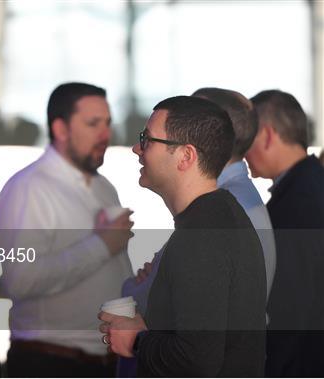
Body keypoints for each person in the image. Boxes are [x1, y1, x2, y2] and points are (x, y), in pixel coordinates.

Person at [100, 96, 266, 377]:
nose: (136, 148)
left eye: (147, 139)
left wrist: (137, 341)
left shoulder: (203, 234)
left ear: (186, 156)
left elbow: (196, 360)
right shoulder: (219, 216)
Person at [0, 82, 134, 377]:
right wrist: (101, 245)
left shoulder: (103, 186)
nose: (105, 135)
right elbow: (20, 281)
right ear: (60, 129)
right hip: (51, 362)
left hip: (106, 361)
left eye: (108, 123)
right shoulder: (29, 188)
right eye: (93, 123)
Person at [245, 89, 324, 377]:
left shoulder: (299, 202)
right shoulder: (308, 185)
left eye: (247, 137)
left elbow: (292, 308)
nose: (242, 150)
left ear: (266, 135)